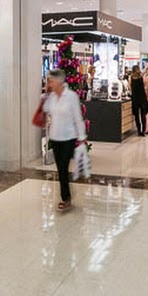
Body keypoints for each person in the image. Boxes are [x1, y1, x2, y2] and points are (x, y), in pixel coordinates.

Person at [42, 68, 86, 212]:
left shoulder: (71, 96)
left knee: (62, 168)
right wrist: (47, 94)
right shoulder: (52, 97)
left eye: (51, 81)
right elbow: (45, 109)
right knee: (61, 168)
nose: (49, 83)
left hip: (68, 137)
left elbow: (78, 118)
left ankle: (65, 198)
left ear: (59, 81)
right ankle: (66, 194)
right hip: (55, 137)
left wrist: (82, 137)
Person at [130, 65, 148, 137]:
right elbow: (145, 86)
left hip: (135, 98)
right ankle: (143, 131)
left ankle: (138, 130)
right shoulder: (142, 77)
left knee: (137, 116)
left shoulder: (131, 78)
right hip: (142, 98)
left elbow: (130, 87)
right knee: (143, 115)